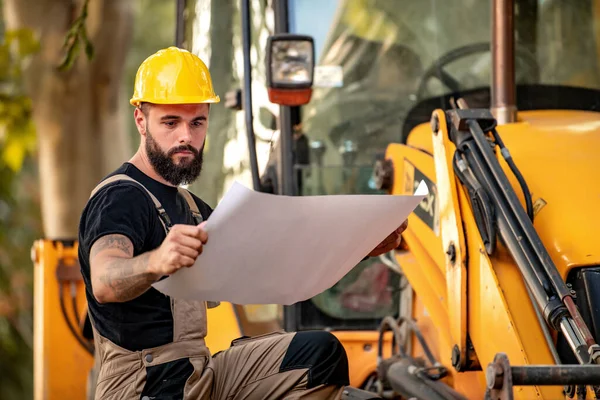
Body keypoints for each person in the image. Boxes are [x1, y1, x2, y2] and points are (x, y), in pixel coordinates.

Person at [78, 47, 408, 400]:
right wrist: (157, 260)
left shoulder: (190, 208)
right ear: (141, 120)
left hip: (197, 373)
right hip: (142, 383)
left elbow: (269, 260)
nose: (186, 137)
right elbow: (104, 280)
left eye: (197, 122)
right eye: (171, 122)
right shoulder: (121, 197)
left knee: (318, 356)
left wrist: (359, 246)